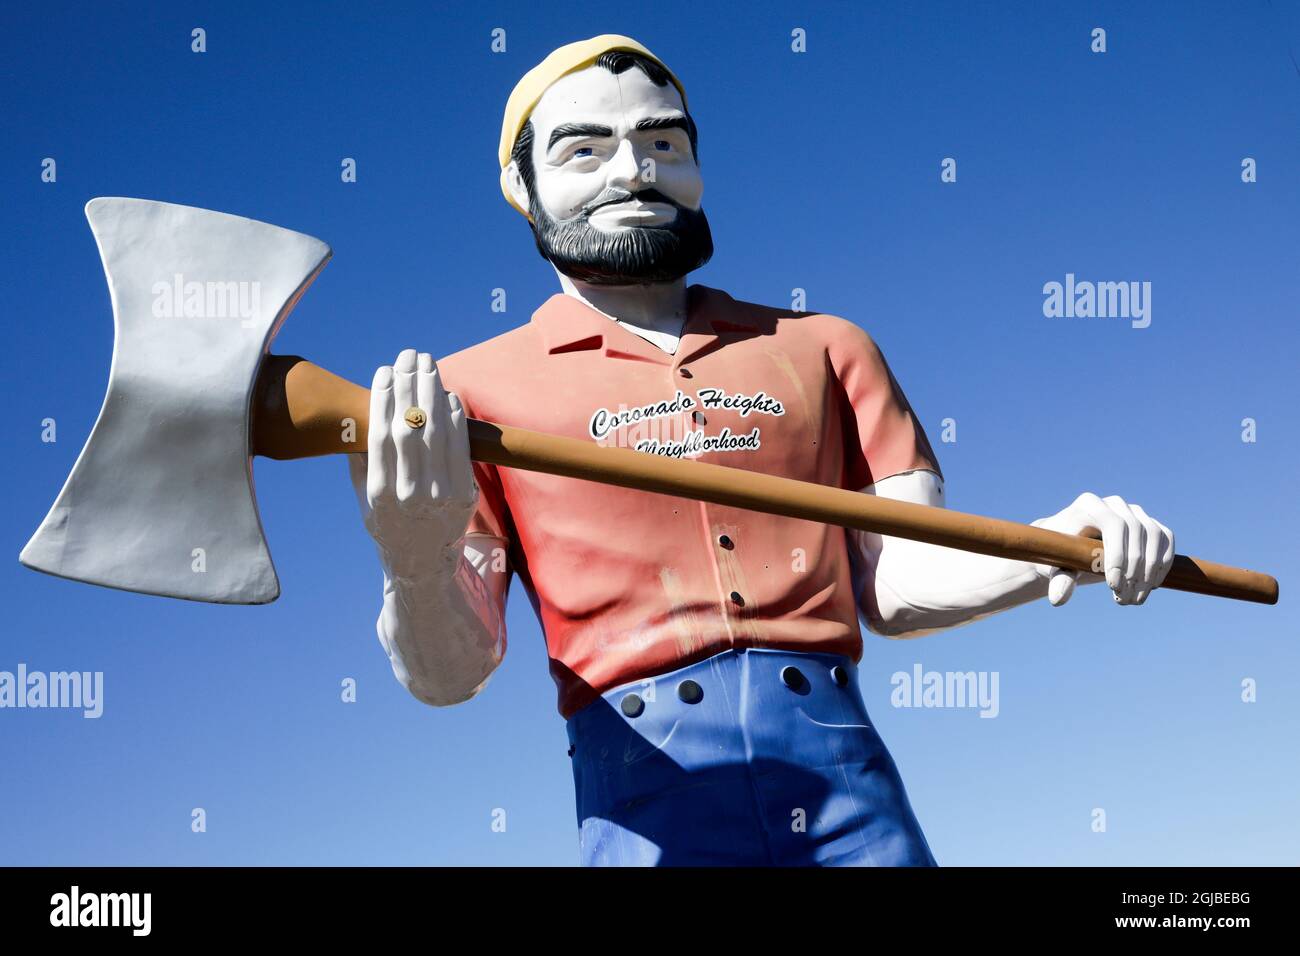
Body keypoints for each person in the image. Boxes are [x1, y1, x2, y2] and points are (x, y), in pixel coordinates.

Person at [347, 36, 1175, 866]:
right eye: (585, 149)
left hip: (851, 790)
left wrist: (1061, 546)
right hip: (644, 804)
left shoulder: (827, 346)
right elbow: (449, 675)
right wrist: (413, 557)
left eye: (663, 144)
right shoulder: (461, 399)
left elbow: (895, 580)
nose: (633, 171)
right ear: (519, 187)